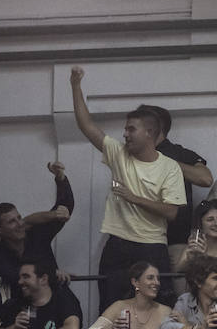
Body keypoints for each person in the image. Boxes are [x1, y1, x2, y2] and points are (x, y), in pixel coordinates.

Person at [70, 68, 185, 309]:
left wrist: (134, 198)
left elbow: (172, 212)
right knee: (111, 309)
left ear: (150, 133)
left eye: (131, 129)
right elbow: (86, 125)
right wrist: (75, 86)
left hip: (152, 246)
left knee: (158, 309)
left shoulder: (170, 167)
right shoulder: (118, 153)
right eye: (125, 129)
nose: (125, 134)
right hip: (118, 244)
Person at [0, 162, 76, 293]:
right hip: (23, 307)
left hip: (57, 299)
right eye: (12, 222)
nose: (20, 224)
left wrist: (60, 178)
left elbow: (65, 205)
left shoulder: (38, 236)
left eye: (19, 218)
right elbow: (14, 275)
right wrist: (51, 273)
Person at [142, 104, 212, 261]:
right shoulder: (133, 154)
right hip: (140, 238)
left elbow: (205, 178)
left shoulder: (179, 153)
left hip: (175, 240)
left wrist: (166, 163)